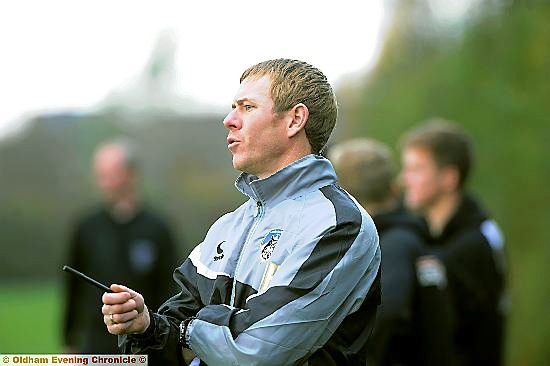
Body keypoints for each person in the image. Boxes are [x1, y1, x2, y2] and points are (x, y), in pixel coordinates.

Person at [99, 59, 381, 366]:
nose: (229, 120)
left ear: (295, 120)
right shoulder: (228, 226)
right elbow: (167, 334)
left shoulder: (338, 223)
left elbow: (255, 349)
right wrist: (144, 325)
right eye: (233, 106)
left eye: (247, 107)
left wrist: (183, 334)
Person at [329, 138, 454, 366]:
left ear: (343, 194)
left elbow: (387, 311)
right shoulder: (407, 237)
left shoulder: (393, 245)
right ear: (391, 188)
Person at [400, 119, 507, 365]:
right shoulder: (431, 237)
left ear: (449, 177)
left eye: (416, 169)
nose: (405, 180)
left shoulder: (475, 245)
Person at [63, 138, 179, 353]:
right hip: (96, 346)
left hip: (146, 346)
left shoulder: (158, 228)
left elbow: (171, 289)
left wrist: (169, 338)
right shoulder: (86, 227)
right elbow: (72, 287)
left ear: (132, 174)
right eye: (100, 175)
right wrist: (69, 339)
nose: (104, 182)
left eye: (111, 174)